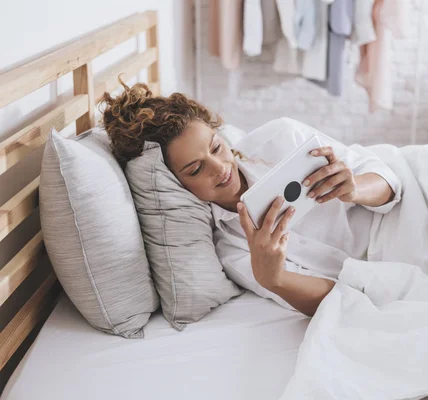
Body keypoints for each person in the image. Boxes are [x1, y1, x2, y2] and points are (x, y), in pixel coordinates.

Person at [102, 81, 401, 317]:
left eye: (216, 147)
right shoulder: (230, 247)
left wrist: (355, 187)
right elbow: (336, 299)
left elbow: (389, 182)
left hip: (402, 219)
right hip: (386, 275)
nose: (220, 168)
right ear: (175, 185)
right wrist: (275, 279)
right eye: (195, 169)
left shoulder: (281, 137)